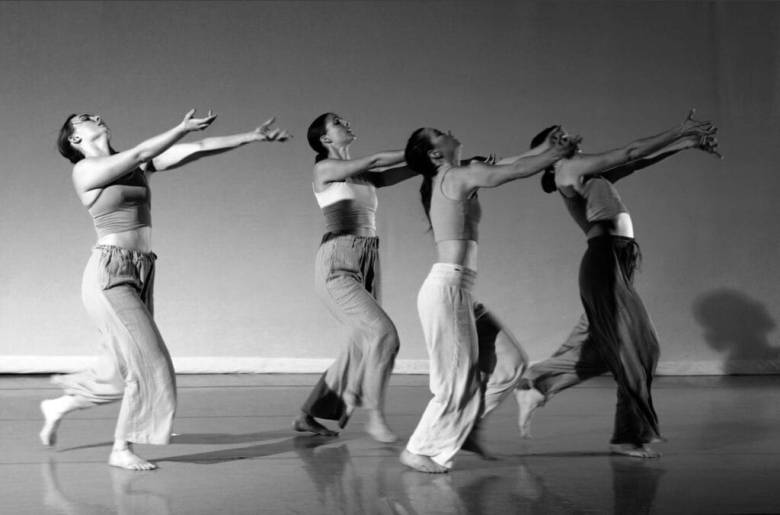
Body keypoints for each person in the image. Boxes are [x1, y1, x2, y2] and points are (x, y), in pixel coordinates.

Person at [42, 109, 290, 470]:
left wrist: (250, 137)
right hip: (108, 274)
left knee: (117, 372)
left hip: (141, 270)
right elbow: (141, 153)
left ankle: (58, 406)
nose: (95, 115)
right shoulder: (84, 170)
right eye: (84, 117)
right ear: (74, 139)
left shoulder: (135, 166)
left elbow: (199, 147)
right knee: (151, 362)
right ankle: (121, 448)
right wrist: (179, 126)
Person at [515, 109, 719, 458]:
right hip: (603, 262)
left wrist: (684, 144)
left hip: (618, 262)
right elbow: (629, 152)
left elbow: (636, 163)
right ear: (548, 158)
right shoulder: (567, 169)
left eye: (565, 132)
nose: (567, 137)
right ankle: (625, 435)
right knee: (639, 346)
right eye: (558, 138)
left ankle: (537, 386)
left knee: (601, 348)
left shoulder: (588, 171)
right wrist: (678, 128)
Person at [399, 126, 578, 473]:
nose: (450, 132)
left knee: (510, 365)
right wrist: (556, 153)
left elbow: (517, 161)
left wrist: (548, 147)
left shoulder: (465, 170)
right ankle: (418, 449)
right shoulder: (456, 176)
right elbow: (512, 172)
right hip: (446, 289)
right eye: (440, 134)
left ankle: (463, 430)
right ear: (435, 154)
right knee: (454, 380)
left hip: (460, 291)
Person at [293, 113, 417, 443]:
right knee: (383, 334)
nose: (346, 122)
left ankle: (310, 414)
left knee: (361, 343)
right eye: (337, 122)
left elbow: (409, 169)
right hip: (339, 260)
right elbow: (378, 158)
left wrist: (439, 160)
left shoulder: (363, 176)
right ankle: (373, 414)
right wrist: (421, 147)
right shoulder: (325, 169)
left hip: (367, 259)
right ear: (326, 140)